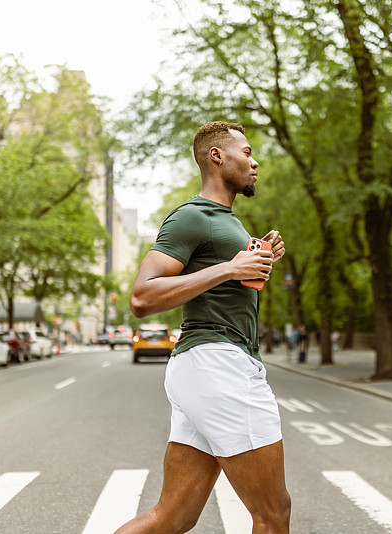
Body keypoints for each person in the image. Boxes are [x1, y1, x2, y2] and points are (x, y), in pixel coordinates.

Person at [117, 121, 291, 534]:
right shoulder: (192, 217)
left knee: (172, 517)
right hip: (219, 365)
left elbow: (224, 280)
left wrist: (253, 261)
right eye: (246, 152)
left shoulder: (225, 222)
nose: (255, 161)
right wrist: (229, 268)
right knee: (273, 511)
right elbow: (142, 297)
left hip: (205, 367)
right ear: (217, 156)